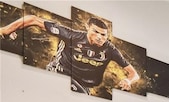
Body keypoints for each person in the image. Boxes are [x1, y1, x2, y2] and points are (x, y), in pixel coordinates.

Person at [1, 15, 139, 94]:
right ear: (87, 29)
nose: (99, 37)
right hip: (60, 72)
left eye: (103, 35)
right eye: (95, 32)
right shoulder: (72, 35)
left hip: (84, 86)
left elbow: (134, 74)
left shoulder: (110, 49)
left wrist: (128, 80)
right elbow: (33, 19)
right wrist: (5, 30)